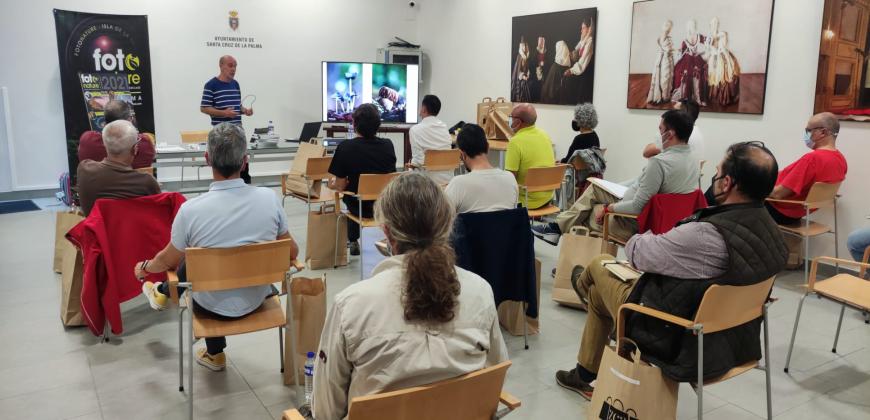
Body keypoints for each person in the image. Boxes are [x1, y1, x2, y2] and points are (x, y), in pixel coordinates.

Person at [555, 141, 787, 399]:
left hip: (673, 332)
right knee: (600, 295)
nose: (714, 179)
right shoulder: (772, 232)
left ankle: (582, 288)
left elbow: (638, 253)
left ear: (727, 183)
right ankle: (584, 374)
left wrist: (648, 237)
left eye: (718, 173)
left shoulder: (705, 234)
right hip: (734, 337)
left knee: (599, 266)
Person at [312, 172, 508, 419]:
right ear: (447, 226)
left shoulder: (351, 304)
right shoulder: (480, 290)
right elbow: (494, 375)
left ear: (387, 233)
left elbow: (325, 411)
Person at [134, 122, 297, 372]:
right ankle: (167, 297)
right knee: (207, 258)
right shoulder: (269, 199)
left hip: (211, 310)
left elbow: (167, 261)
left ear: (207, 159)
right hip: (259, 301)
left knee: (196, 260)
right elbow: (292, 252)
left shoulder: (190, 211)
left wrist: (145, 267)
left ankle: (213, 352)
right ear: (245, 161)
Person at [534, 110, 699, 245]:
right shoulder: (692, 159)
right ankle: (557, 231)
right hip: (669, 224)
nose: (658, 134)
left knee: (584, 216)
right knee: (595, 189)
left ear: (669, 134)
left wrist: (608, 209)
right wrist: (610, 187)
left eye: (660, 129)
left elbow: (636, 207)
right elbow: (641, 182)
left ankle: (566, 250)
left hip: (632, 223)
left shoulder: (659, 163)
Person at [765, 112, 847, 267]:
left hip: (781, 210)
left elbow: (778, 194)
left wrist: (753, 186)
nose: (806, 135)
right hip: (800, 210)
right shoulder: (840, 159)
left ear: (823, 132)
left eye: (809, 130)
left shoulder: (812, 159)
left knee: (731, 194)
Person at [328, 104, 397, 256]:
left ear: (354, 124)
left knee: (352, 194)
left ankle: (352, 240)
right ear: (378, 125)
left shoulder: (345, 147)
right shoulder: (388, 145)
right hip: (384, 207)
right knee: (359, 193)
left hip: (358, 208)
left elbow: (339, 186)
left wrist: (334, 184)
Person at [77, 120, 161, 216]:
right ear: (135, 149)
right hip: (132, 231)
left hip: (95, 230)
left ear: (105, 145)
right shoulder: (146, 182)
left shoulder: (84, 170)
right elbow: (159, 214)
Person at [200, 55, 254, 183]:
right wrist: (224, 113)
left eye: (235, 66)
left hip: (238, 132)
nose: (233, 69)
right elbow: (204, 108)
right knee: (224, 167)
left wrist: (245, 110)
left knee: (242, 166)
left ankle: (245, 188)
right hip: (221, 134)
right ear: (221, 66)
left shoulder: (235, 84)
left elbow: (237, 105)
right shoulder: (211, 85)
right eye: (230, 65)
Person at [445, 124, 518, 213]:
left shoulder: (458, 184)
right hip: (506, 227)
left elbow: (442, 219)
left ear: (462, 154)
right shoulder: (510, 179)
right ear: (487, 147)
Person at [78, 100, 156, 170]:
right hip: (134, 185)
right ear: (129, 120)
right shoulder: (144, 144)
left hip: (97, 185)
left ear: (105, 120)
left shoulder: (88, 141)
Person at [505, 103, 556, 209]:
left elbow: (510, 180)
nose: (509, 120)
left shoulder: (515, 142)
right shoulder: (545, 135)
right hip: (547, 198)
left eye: (511, 117)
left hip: (525, 201)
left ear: (518, 122)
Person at [643, 98, 705, 163]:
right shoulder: (697, 132)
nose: (670, 114)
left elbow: (647, 152)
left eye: (674, 111)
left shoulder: (675, 133)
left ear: (682, 115)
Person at [408, 94, 453, 184]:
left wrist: (410, 166)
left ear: (424, 109)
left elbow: (418, 161)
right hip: (448, 180)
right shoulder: (444, 127)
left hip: (427, 183)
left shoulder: (415, 130)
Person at [706, 17, 741, 106]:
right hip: (713, 55)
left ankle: (723, 95)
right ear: (710, 25)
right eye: (713, 24)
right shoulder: (709, 37)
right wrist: (712, 51)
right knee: (710, 67)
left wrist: (718, 51)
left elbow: (723, 46)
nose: (715, 25)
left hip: (721, 54)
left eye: (716, 23)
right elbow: (708, 49)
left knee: (725, 67)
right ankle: (712, 93)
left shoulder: (722, 34)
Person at [672, 19, 708, 106]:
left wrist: (703, 51)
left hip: (697, 58)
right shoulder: (685, 39)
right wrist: (681, 51)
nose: (693, 26)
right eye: (691, 25)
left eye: (694, 24)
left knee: (699, 74)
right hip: (687, 59)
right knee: (685, 73)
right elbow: (682, 52)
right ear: (688, 27)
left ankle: (699, 98)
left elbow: (708, 41)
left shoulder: (699, 36)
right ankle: (686, 97)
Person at [647, 20, 675, 105]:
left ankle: (666, 95)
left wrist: (674, 51)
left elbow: (669, 49)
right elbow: (666, 49)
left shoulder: (668, 37)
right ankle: (663, 96)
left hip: (669, 58)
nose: (668, 28)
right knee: (664, 77)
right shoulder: (663, 36)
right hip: (664, 59)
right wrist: (671, 50)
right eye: (666, 25)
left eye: (670, 26)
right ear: (663, 26)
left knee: (668, 77)